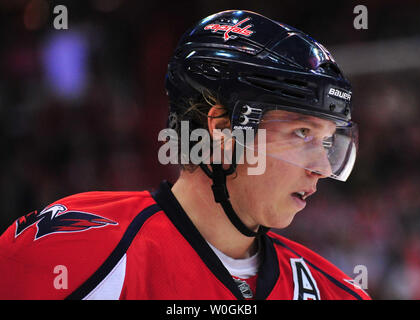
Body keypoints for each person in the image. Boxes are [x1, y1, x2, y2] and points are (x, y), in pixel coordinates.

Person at [0, 10, 370, 300]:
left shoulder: (337, 292)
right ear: (223, 128)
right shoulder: (70, 251)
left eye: (326, 142)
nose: (322, 168)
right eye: (302, 133)